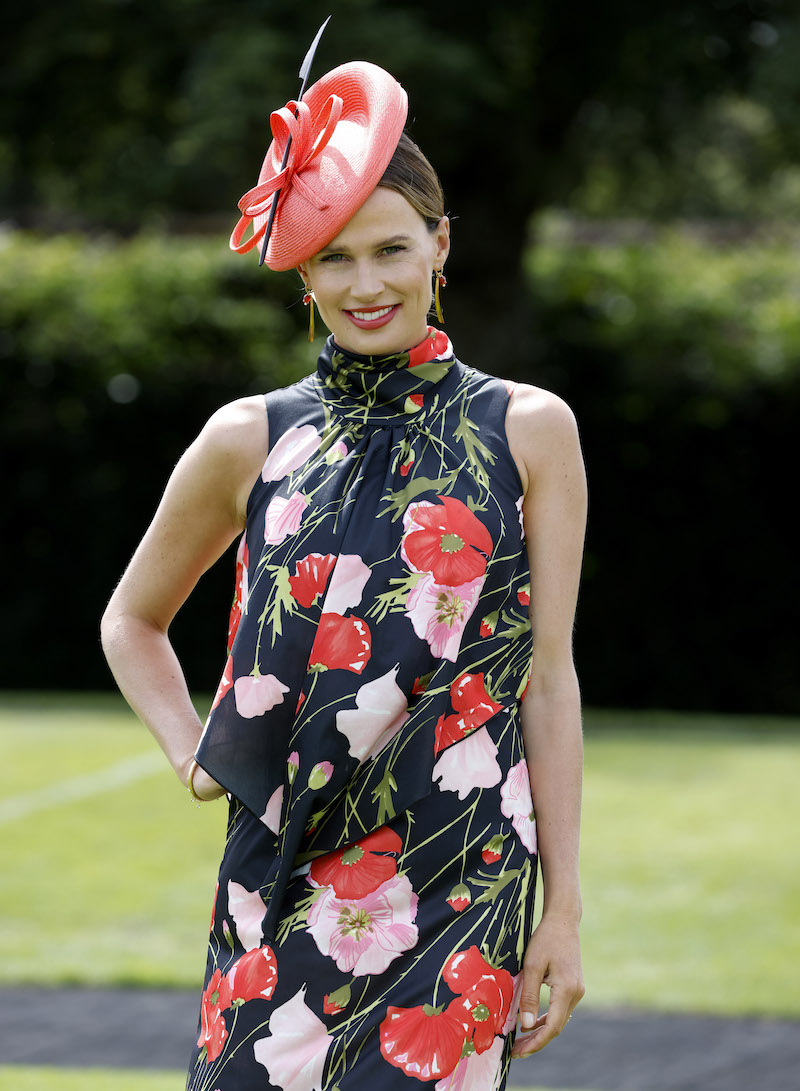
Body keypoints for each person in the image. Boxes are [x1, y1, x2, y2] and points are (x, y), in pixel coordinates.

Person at [101, 58, 586, 1091]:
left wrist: (566, 910)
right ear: (301, 272)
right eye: (333, 257)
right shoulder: (247, 438)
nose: (365, 285)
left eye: (391, 249)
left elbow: (546, 677)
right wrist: (192, 751)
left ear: (439, 246)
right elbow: (131, 619)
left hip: (465, 878)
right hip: (275, 880)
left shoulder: (531, 429)